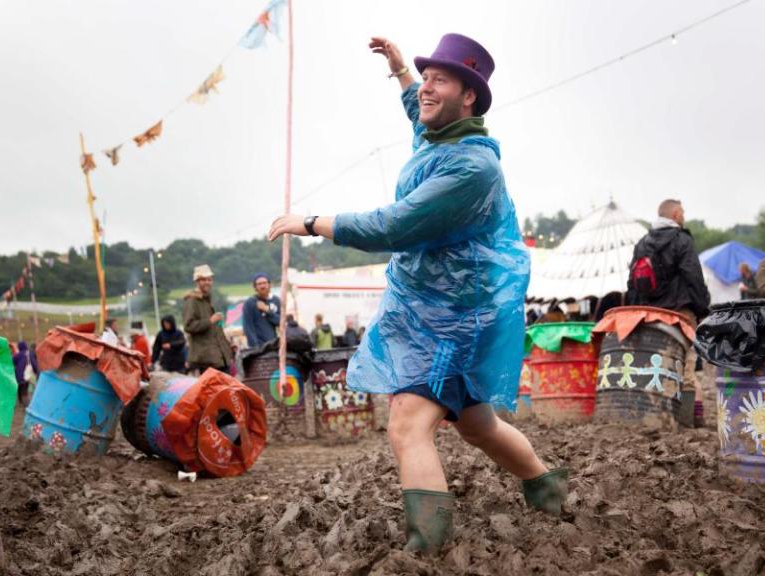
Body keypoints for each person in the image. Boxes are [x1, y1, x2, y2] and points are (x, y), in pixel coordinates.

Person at [268, 34, 564, 553]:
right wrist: (405, 71)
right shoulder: (439, 137)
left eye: (438, 80)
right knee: (477, 424)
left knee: (407, 421)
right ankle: (552, 494)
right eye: (426, 79)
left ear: (468, 96)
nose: (426, 89)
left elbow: (396, 226)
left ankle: (426, 549)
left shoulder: (471, 167)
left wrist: (312, 222)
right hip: (438, 308)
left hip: (457, 315)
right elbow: (416, 110)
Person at [625, 199, 711, 427]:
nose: (683, 216)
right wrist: (702, 309)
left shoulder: (643, 243)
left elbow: (632, 281)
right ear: (674, 215)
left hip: (650, 314)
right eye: (682, 211)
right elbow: (693, 277)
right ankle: (691, 418)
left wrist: (636, 309)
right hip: (680, 313)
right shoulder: (682, 240)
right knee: (686, 365)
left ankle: (656, 416)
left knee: (656, 363)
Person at [182, 264, 233, 374]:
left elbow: (214, 330)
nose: (207, 282)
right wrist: (210, 321)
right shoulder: (192, 301)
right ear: (197, 281)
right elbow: (188, 326)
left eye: (209, 280)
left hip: (218, 358)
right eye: (204, 280)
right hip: (206, 359)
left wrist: (227, 347)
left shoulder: (207, 299)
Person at [242, 273, 281, 348]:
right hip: (258, 346)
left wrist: (267, 310)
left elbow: (280, 322)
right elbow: (248, 327)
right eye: (259, 284)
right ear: (255, 287)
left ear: (269, 285)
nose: (262, 286)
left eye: (264, 283)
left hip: (273, 344)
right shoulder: (250, 303)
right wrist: (255, 346)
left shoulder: (276, 300)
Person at [12, 341, 37, 406]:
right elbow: (34, 364)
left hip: (18, 375)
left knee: (20, 388)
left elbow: (12, 362)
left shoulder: (17, 355)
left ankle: (20, 402)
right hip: (26, 375)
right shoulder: (30, 354)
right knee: (24, 389)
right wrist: (36, 371)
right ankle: (26, 403)